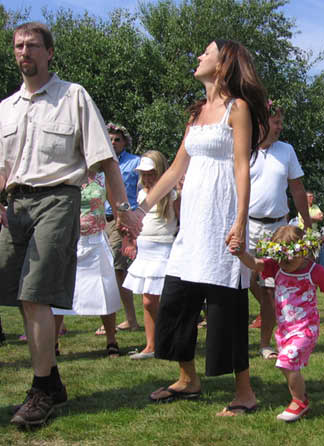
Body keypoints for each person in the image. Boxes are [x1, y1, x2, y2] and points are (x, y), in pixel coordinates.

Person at [0, 22, 141, 426]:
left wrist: (123, 210)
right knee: (19, 292)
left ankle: (41, 390)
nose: (24, 51)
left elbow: (104, 160)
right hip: (15, 203)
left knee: (37, 293)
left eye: (32, 45)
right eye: (18, 45)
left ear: (49, 53)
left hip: (59, 199)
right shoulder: (6, 108)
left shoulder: (73, 96)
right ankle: (52, 380)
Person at [132, 39, 269, 416]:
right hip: (191, 227)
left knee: (227, 307)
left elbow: (241, 167)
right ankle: (188, 378)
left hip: (222, 221)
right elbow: (176, 169)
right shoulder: (196, 114)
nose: (198, 57)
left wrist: (239, 221)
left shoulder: (237, 109)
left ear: (223, 64)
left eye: (206, 53)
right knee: (176, 301)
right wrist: (139, 210)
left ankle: (245, 393)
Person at [231, 225, 324, 421]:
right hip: (285, 331)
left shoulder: (314, 271)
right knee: (286, 364)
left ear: (303, 251)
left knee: (286, 361)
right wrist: (242, 253)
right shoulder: (275, 267)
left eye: (290, 259)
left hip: (306, 329)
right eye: (281, 259)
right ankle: (300, 395)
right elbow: (255, 263)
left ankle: (299, 402)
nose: (284, 264)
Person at [246, 101, 311, 360]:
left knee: (270, 287)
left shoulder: (287, 150)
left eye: (281, 122)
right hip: (247, 225)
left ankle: (265, 344)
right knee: (242, 283)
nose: (280, 127)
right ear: (261, 123)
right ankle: (241, 335)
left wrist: (306, 224)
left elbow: (297, 189)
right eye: (276, 122)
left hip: (277, 229)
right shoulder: (244, 148)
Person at [52, 172, 122, 358]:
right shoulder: (64, 173)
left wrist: (124, 231)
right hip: (68, 241)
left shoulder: (103, 175)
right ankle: (52, 343)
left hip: (96, 241)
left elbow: (116, 205)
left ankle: (111, 341)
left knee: (106, 291)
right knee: (60, 292)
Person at [122, 151, 179, 360]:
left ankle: (169, 340)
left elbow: (182, 221)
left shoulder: (172, 195)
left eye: (151, 174)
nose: (147, 179)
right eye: (143, 174)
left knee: (163, 300)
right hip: (145, 251)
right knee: (148, 301)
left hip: (164, 250)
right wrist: (131, 240)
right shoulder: (141, 194)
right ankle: (151, 345)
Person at [98, 122, 141, 334]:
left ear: (125, 142)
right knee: (105, 271)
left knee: (118, 269)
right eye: (110, 139)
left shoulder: (135, 163)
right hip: (100, 221)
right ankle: (110, 319)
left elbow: (145, 189)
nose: (113, 143)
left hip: (122, 221)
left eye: (117, 139)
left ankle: (130, 319)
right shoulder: (98, 164)